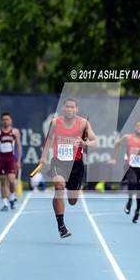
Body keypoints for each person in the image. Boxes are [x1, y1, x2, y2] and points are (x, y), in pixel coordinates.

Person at [40, 98, 96, 238]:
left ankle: (71, 193)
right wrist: (43, 156)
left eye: (72, 107)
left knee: (72, 201)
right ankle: (61, 226)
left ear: (76, 109)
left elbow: (95, 141)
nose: (69, 109)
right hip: (59, 162)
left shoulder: (83, 123)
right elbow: (48, 140)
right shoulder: (55, 122)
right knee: (59, 185)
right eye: (67, 107)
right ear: (63, 109)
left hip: (76, 165)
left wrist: (85, 144)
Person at [109, 122, 140, 224]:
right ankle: (129, 201)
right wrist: (113, 158)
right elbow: (117, 144)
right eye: (137, 126)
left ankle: (137, 211)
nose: (139, 127)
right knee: (132, 182)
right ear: (134, 127)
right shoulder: (128, 137)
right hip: (130, 167)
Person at [0, 112, 21, 211]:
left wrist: (18, 161)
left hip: (11, 159)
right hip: (1, 159)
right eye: (4, 119)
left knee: (12, 180)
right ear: (2, 121)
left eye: (7, 119)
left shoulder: (15, 132)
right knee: (2, 181)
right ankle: (5, 203)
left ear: (11, 120)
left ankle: (12, 196)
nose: (6, 121)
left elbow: (18, 146)